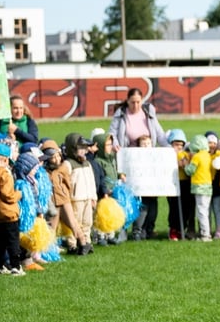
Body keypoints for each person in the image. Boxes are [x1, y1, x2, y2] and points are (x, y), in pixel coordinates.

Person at [108, 88, 168, 240]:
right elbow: (112, 133)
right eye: (132, 102)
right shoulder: (121, 114)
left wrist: (169, 148)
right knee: (134, 196)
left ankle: (149, 228)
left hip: (148, 160)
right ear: (127, 101)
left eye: (138, 102)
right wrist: (115, 144)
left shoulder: (148, 113)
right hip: (130, 160)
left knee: (151, 196)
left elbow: (159, 133)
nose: (135, 105)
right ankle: (135, 229)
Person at [64, 133, 97, 255]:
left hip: (87, 197)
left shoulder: (87, 164)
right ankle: (72, 244)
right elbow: (66, 183)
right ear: (72, 148)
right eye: (80, 148)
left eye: (85, 148)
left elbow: (92, 182)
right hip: (76, 198)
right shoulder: (68, 164)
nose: (83, 151)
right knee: (75, 221)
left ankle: (87, 241)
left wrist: (93, 197)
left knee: (87, 221)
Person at [0, 141, 24, 275]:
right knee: (13, 242)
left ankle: (0, 265)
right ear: (5, 159)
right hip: (9, 215)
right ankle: (16, 266)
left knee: (0, 243)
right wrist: (19, 194)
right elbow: (8, 196)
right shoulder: (4, 174)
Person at [184, 134, 214, 242]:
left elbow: (190, 171)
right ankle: (206, 232)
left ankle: (205, 235)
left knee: (201, 212)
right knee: (205, 211)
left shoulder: (197, 157)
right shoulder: (208, 156)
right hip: (208, 186)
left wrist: (185, 165)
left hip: (199, 186)